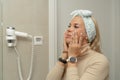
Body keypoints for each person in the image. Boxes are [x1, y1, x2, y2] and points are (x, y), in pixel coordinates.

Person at [46, 10, 109, 80]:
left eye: (76, 26)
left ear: (87, 35)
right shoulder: (67, 57)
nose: (69, 29)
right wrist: (64, 53)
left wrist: (72, 58)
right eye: (69, 26)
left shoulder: (99, 61)